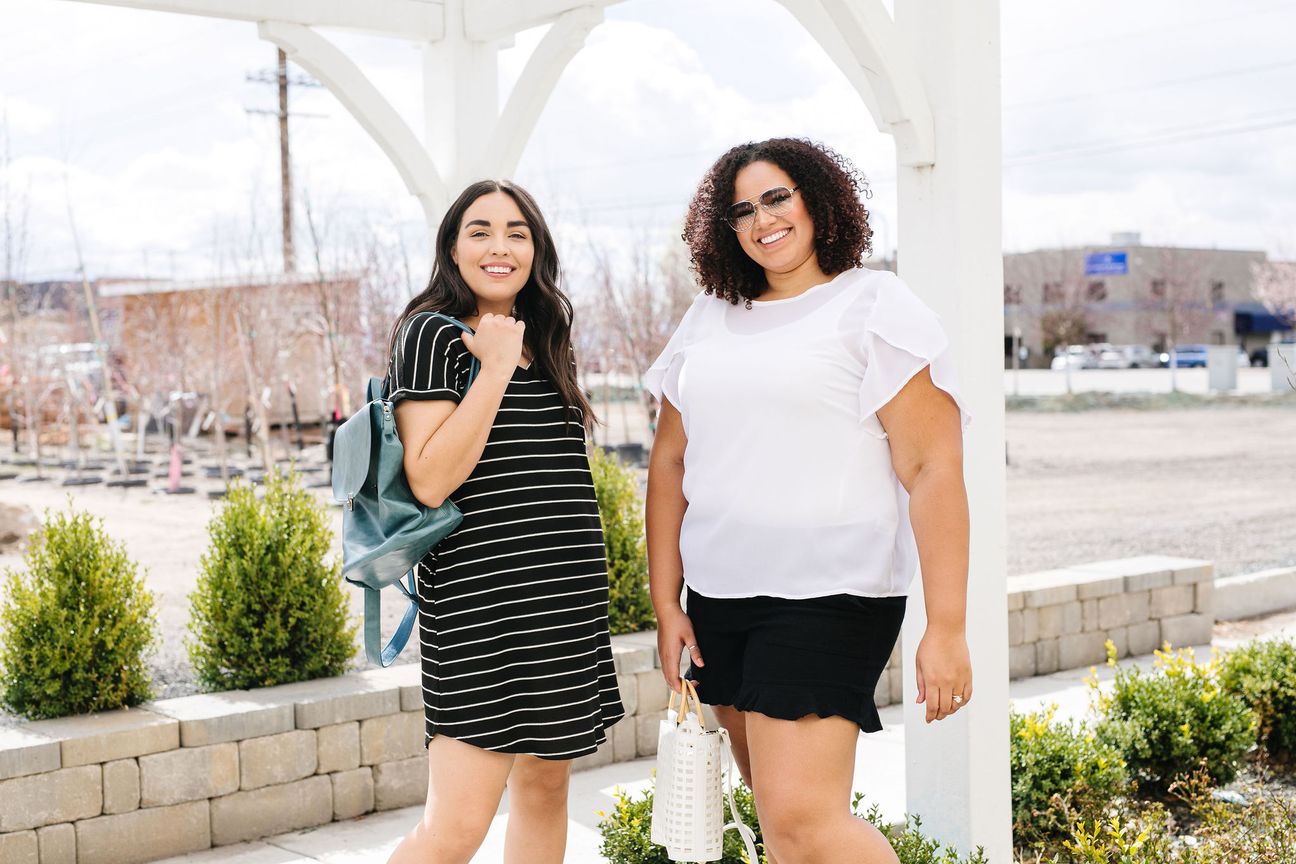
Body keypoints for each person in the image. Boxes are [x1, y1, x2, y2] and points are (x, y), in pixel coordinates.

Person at [645, 138, 973, 864]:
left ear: (818, 200)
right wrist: (667, 605)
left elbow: (934, 469)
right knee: (784, 828)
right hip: (719, 600)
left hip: (830, 595)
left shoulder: (873, 304)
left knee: (804, 823)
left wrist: (945, 626)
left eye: (776, 197)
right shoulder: (708, 318)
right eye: (741, 210)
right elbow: (669, 465)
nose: (761, 219)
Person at [384, 180, 624, 864]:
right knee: (456, 828)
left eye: (517, 232)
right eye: (481, 230)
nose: (500, 246)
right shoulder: (432, 333)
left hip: (564, 605)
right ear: (452, 249)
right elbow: (430, 479)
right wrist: (489, 371)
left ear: (536, 249)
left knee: (546, 792)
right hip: (482, 608)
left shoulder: (546, 336)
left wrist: (510, 353)